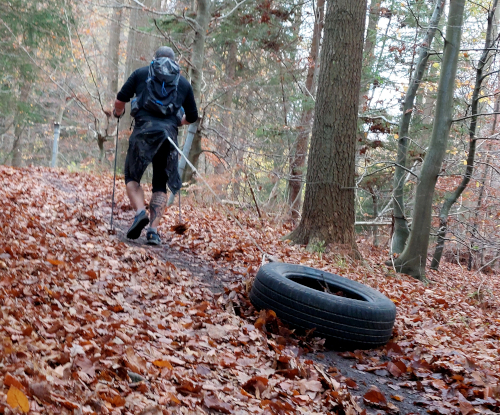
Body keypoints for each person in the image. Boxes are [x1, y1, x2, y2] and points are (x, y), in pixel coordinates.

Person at [113, 46, 198, 245]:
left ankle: (140, 212)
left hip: (143, 132)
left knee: (132, 178)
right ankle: (152, 231)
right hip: (167, 138)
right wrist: (177, 122)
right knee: (160, 184)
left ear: (155, 59)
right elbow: (193, 116)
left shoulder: (141, 73)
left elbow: (120, 100)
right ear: (175, 62)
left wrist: (118, 113)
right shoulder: (183, 83)